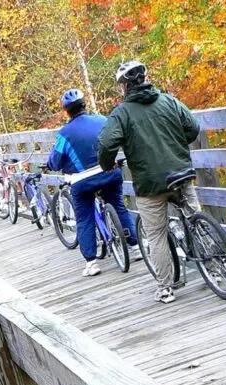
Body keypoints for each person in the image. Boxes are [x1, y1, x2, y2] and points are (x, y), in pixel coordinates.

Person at [98, 60, 201, 304]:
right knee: (195, 219)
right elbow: (193, 128)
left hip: (150, 184)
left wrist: (107, 164)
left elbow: (105, 144)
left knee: (156, 234)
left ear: (124, 87)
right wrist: (175, 145)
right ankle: (216, 263)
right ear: (146, 77)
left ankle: (166, 288)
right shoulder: (169, 100)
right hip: (181, 172)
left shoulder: (121, 113)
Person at [47, 88, 138, 277]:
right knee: (119, 206)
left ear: (66, 110)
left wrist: (51, 162)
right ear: (84, 104)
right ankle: (136, 246)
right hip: (109, 171)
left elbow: (55, 162)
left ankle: (92, 262)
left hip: (82, 182)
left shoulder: (64, 134)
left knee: (84, 218)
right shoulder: (102, 120)